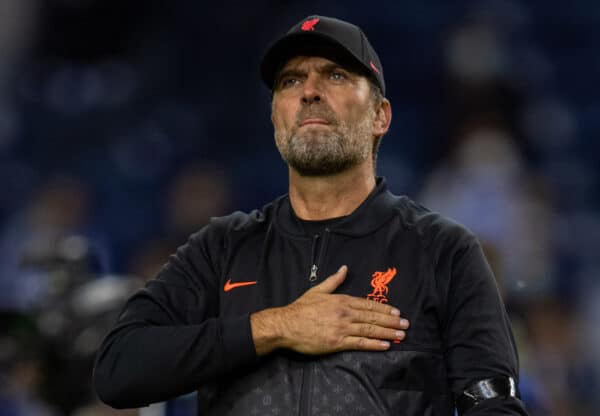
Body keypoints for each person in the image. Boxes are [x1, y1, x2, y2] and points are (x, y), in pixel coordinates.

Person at [93, 15, 529, 415]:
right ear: (275, 119)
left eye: (336, 75)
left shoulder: (442, 250)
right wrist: (275, 327)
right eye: (291, 80)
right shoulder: (221, 248)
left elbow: (493, 406)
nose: (310, 90)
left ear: (380, 116)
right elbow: (118, 369)